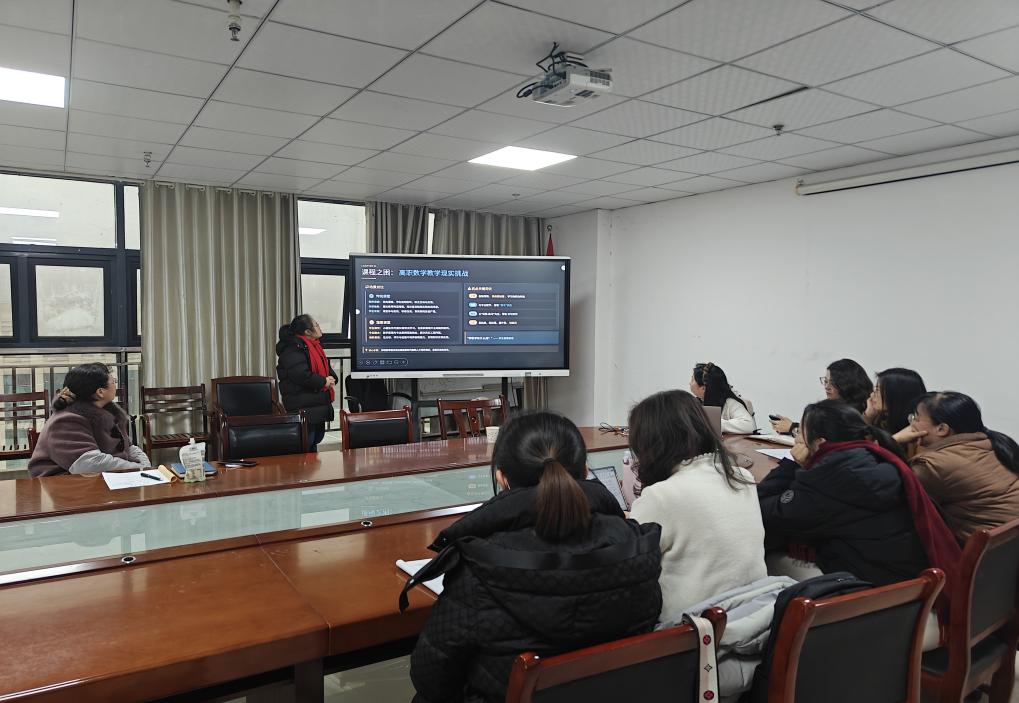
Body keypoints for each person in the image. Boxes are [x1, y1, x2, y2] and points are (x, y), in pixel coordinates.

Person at [404, 412, 663, 703]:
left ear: (501, 478)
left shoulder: (479, 568)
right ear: (585, 470)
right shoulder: (636, 545)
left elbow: (431, 678)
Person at [758, 400, 959, 587]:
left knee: (769, 554)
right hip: (911, 580)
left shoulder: (831, 475)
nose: (796, 439)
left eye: (800, 434)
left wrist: (791, 465)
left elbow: (764, 512)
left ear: (819, 443)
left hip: (873, 589)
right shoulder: (874, 457)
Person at [628, 389, 766, 624]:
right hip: (753, 618)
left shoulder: (661, 496)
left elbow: (631, 570)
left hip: (691, 630)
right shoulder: (741, 477)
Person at [903, 392, 1019, 542]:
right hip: (1008, 548)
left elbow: (885, 492)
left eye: (916, 418)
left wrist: (892, 440)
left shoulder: (930, 465)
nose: (911, 424)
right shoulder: (993, 444)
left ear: (941, 429)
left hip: (987, 551)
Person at [28, 363, 151, 477]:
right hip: (65, 484)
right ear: (100, 392)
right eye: (114, 381)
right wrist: (138, 469)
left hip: (101, 478)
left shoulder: (108, 412)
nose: (115, 385)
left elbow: (129, 447)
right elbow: (90, 464)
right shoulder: (66, 421)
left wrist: (145, 466)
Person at [275, 314, 338, 451]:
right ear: (308, 331)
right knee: (305, 443)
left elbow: (326, 368)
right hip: (302, 405)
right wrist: (323, 381)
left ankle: (311, 465)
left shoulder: (315, 346)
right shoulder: (293, 348)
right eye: (316, 325)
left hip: (316, 404)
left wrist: (331, 378)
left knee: (315, 441)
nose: (320, 327)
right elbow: (301, 375)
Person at [770, 358, 873, 434]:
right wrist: (794, 427)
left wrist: (793, 428)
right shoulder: (834, 408)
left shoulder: (861, 413)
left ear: (848, 385)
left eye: (833, 383)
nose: (827, 387)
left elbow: (826, 439)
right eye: (826, 381)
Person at [863, 368, 927, 454]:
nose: (872, 395)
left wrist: (894, 440)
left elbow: (867, 456)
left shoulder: (918, 429)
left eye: (877, 390)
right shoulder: (882, 420)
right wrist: (868, 418)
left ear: (895, 394)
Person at [690, 362, 756, 434]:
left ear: (703, 388)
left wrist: (714, 423)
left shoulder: (730, 403)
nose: (689, 383)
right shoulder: (695, 402)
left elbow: (749, 426)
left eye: (692, 380)